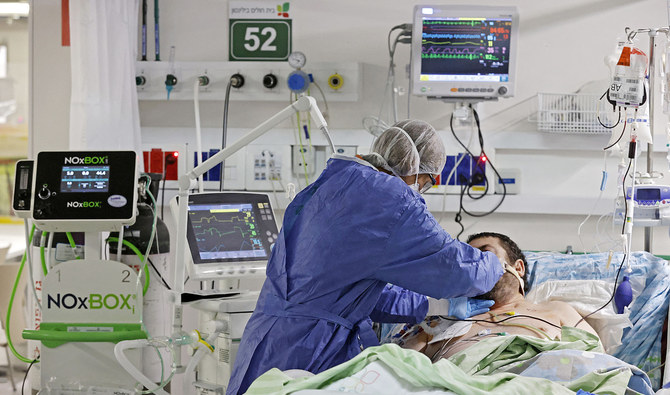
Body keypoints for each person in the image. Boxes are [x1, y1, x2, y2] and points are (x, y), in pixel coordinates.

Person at [226, 120, 504, 394]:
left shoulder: (332, 183)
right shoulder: (393, 202)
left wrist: (436, 306)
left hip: (266, 340)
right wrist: (495, 265)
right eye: (428, 182)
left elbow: (352, 292)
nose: (423, 190)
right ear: (416, 170)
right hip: (308, 351)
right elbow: (458, 269)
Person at [387, 232, 598, 361]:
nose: (474, 264)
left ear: (519, 268)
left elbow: (599, 362)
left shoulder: (556, 310)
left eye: (484, 254)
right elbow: (401, 368)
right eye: (468, 259)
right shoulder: (440, 318)